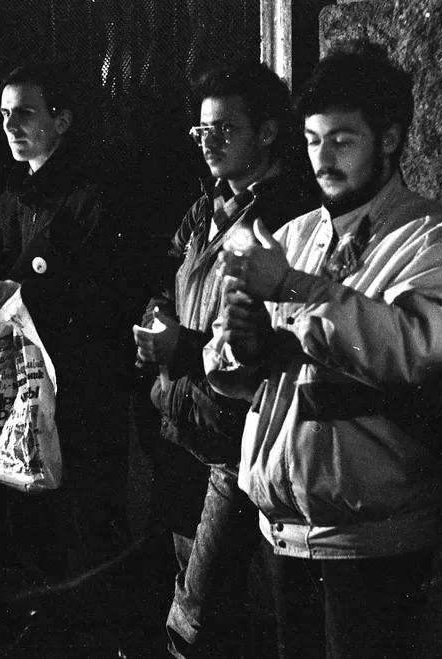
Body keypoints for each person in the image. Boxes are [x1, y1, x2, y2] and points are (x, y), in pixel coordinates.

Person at [204, 44, 442, 659]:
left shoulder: (434, 239)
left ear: (390, 137)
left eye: (341, 141)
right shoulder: (296, 236)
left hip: (375, 537)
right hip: (285, 528)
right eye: (311, 140)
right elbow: (232, 375)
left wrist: (293, 290)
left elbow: (410, 349)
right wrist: (240, 346)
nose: (321, 159)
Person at [134, 61, 317, 659]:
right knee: (197, 584)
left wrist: (181, 348)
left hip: (238, 443)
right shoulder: (205, 209)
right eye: (201, 131)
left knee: (198, 614)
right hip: (186, 426)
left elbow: (268, 337)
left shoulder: (289, 218)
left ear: (268, 133)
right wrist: (159, 315)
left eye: (224, 129)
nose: (208, 141)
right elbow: (172, 278)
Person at [0, 61, 132, 597]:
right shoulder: (10, 197)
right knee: (30, 498)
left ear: (62, 120)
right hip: (25, 381)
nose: (10, 126)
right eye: (3, 114)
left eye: (24, 112)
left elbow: (112, 291)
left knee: (85, 507)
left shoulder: (93, 196)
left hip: (82, 382)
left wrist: (26, 295)